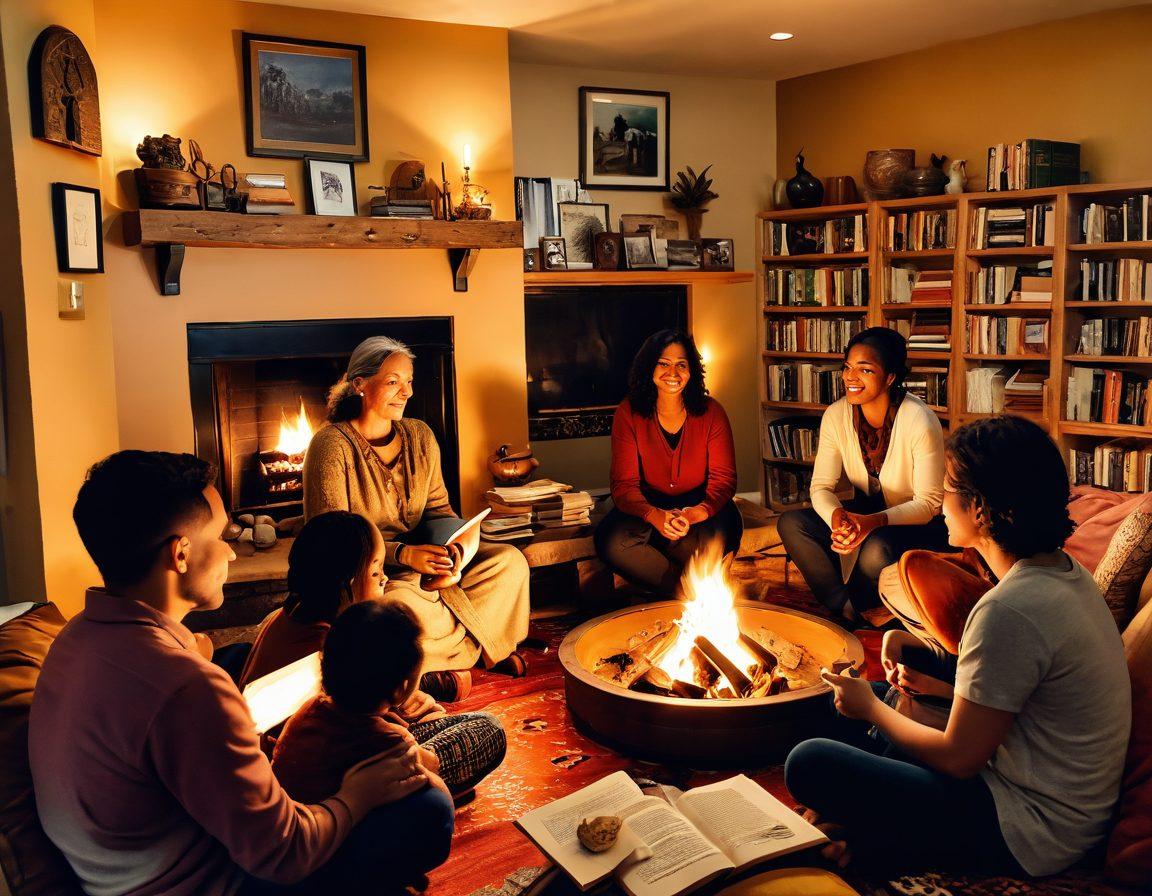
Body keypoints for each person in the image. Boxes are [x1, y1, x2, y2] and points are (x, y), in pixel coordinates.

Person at [28, 451, 454, 895]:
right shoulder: (186, 687)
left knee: (236, 657)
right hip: (207, 881)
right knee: (428, 807)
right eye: (222, 535)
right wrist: (357, 796)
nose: (231, 550)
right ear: (180, 554)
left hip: (117, 863)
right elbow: (283, 854)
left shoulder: (72, 636)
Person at [785, 416, 1132, 878]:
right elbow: (1012, 679)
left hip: (1025, 826)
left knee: (810, 761)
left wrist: (872, 710)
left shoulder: (1011, 609)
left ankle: (862, 835)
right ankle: (860, 833)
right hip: (1025, 777)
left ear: (982, 509)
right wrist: (913, 646)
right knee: (835, 705)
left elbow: (959, 758)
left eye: (948, 490)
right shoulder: (1063, 574)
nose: (941, 503)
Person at [303, 336, 530, 687]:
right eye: (393, 381)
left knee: (509, 562)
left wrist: (454, 549)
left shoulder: (420, 435)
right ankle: (468, 654)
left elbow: (438, 509)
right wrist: (405, 555)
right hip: (372, 572)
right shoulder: (331, 445)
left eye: (409, 381)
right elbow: (332, 539)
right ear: (359, 384)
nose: (406, 392)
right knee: (399, 604)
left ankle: (449, 659)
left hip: (425, 559)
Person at [777, 327, 950, 622]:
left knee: (875, 547)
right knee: (792, 523)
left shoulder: (919, 419)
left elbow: (929, 504)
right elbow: (821, 487)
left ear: (890, 377)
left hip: (920, 524)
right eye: (847, 367)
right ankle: (844, 608)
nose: (850, 377)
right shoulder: (836, 414)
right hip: (869, 514)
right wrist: (836, 518)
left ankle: (864, 610)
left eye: (865, 370)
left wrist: (871, 523)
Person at [273, 599, 507, 802]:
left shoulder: (311, 708)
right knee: (490, 728)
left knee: (457, 723)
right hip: (351, 812)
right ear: (401, 688)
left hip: (302, 797)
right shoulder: (392, 742)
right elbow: (435, 783)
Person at [595, 329, 740, 596]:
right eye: (663, 363)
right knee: (611, 543)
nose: (672, 373)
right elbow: (624, 486)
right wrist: (655, 516)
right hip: (646, 504)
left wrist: (693, 513)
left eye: (681, 365)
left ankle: (686, 589)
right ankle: (689, 593)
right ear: (649, 367)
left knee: (714, 542)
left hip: (702, 507)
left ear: (691, 371)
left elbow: (724, 480)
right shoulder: (628, 412)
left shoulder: (712, 412)